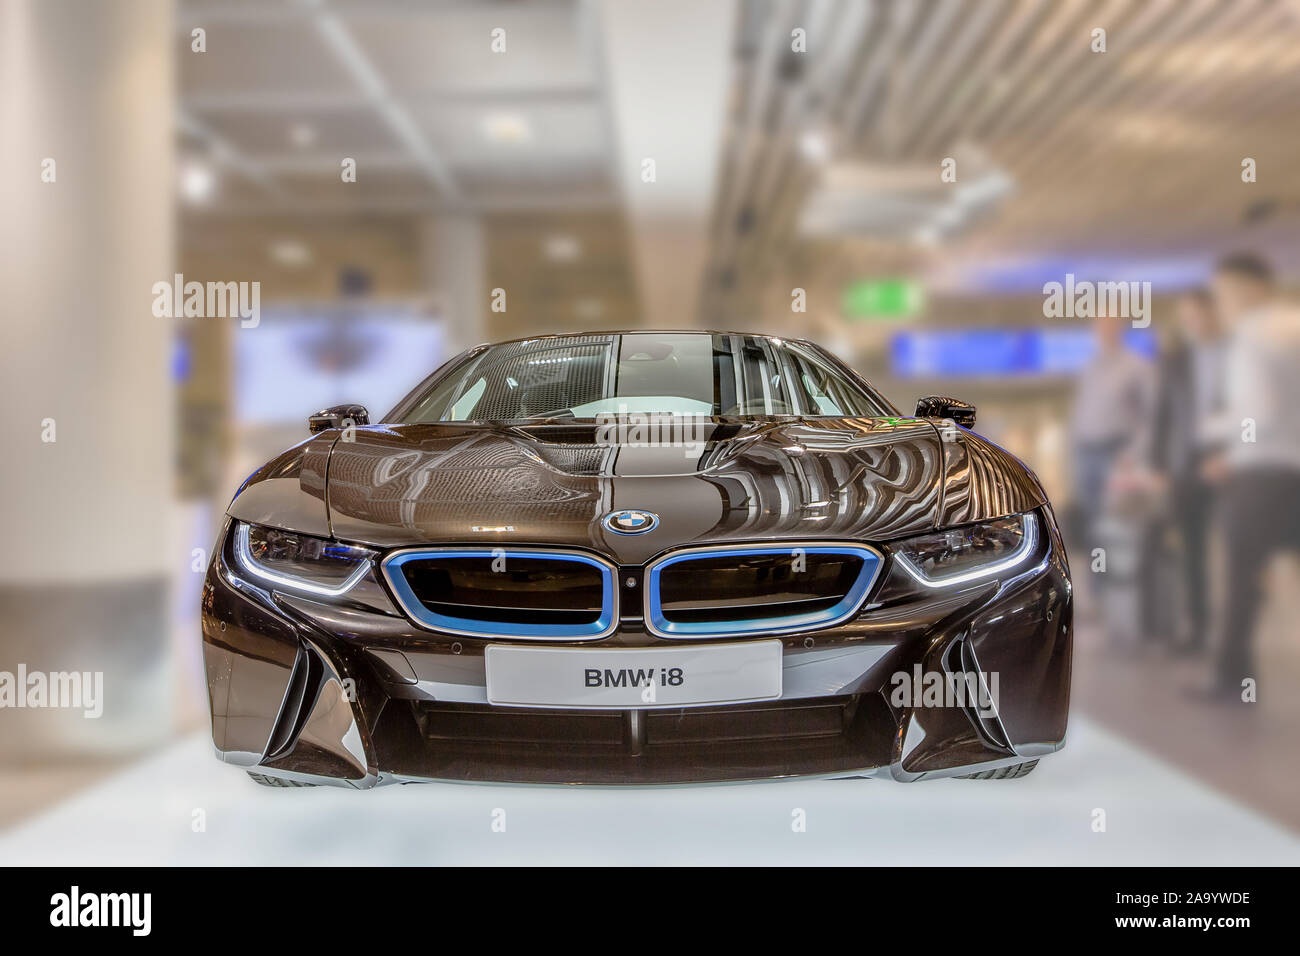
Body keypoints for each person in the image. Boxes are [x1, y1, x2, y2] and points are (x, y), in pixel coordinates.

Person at [1197, 253, 1300, 700]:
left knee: (1242, 580)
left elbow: (1259, 414)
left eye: (1223, 295)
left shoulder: (1251, 335)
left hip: (1261, 477)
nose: (1223, 305)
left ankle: (1232, 680)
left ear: (1246, 288)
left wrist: (1214, 431)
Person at [1149, 289, 1225, 654]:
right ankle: (1197, 627)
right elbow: (1162, 416)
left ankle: (1234, 631)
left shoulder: (1237, 354)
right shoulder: (1175, 361)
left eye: (1199, 312)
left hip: (1231, 467)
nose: (1193, 320)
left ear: (1213, 313)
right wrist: (1159, 465)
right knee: (1192, 550)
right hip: (1186, 468)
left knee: (1238, 551)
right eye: (1187, 315)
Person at [1068, 312, 1156, 573]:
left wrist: (1135, 452)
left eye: (1110, 325)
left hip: (1116, 450)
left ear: (1120, 328)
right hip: (1087, 451)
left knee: (1116, 520)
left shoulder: (1137, 367)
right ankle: (1098, 581)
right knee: (1092, 521)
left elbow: (1149, 417)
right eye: (1100, 326)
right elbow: (1080, 411)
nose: (1104, 330)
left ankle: (1123, 577)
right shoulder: (1089, 367)